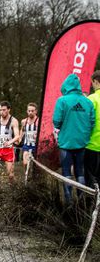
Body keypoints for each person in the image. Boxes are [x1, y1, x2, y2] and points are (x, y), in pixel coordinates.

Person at [53, 74, 95, 202]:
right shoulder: (87, 102)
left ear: (66, 86)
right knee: (80, 171)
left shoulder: (62, 101)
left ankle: (69, 201)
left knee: (66, 171)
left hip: (66, 143)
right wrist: (84, 134)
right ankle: (81, 200)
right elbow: (92, 122)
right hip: (82, 143)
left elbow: (56, 121)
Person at [85, 71, 100, 187]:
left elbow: (84, 121)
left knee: (90, 180)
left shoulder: (91, 99)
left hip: (92, 145)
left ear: (95, 82)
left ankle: (90, 204)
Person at [21, 103, 39, 168]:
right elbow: (22, 130)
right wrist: (19, 139)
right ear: (27, 111)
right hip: (27, 145)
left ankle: (35, 176)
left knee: (37, 166)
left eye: (32, 111)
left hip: (37, 146)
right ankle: (26, 176)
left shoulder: (38, 121)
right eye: (29, 111)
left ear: (36, 111)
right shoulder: (24, 121)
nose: (30, 112)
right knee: (25, 163)